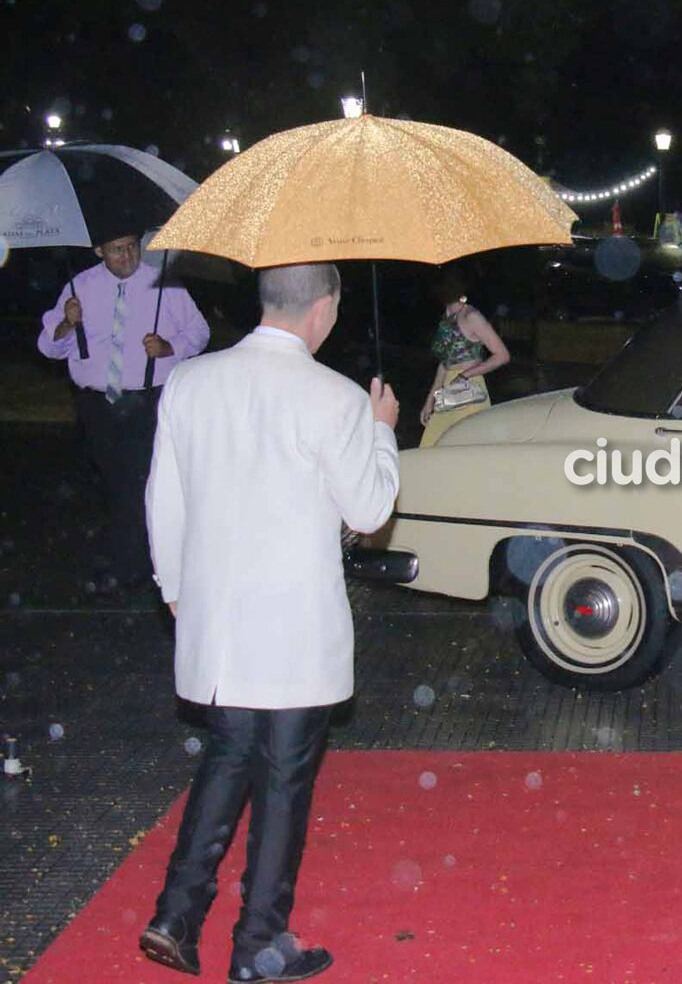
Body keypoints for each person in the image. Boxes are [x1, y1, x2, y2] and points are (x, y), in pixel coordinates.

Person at [139, 262, 400, 984]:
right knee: (283, 778)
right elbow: (371, 511)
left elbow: (164, 498)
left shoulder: (190, 382)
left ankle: (175, 913)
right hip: (293, 624)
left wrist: (175, 592)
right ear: (325, 306)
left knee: (227, 758)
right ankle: (258, 943)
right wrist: (382, 433)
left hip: (217, 617)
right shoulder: (336, 398)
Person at [37, 232, 210, 588]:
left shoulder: (164, 286)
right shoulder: (80, 286)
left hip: (146, 400)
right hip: (97, 403)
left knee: (136, 482)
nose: (127, 255)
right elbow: (48, 347)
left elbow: (200, 333)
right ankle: (137, 561)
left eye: (132, 246)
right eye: (117, 249)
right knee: (118, 484)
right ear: (99, 251)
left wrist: (168, 346)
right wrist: (67, 323)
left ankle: (129, 568)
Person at [418, 270, 509, 447]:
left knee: (464, 446)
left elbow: (502, 355)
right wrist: (430, 400)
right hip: (448, 386)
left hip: (469, 389)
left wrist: (465, 375)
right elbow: (445, 363)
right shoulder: (447, 316)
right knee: (433, 445)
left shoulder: (471, 316)